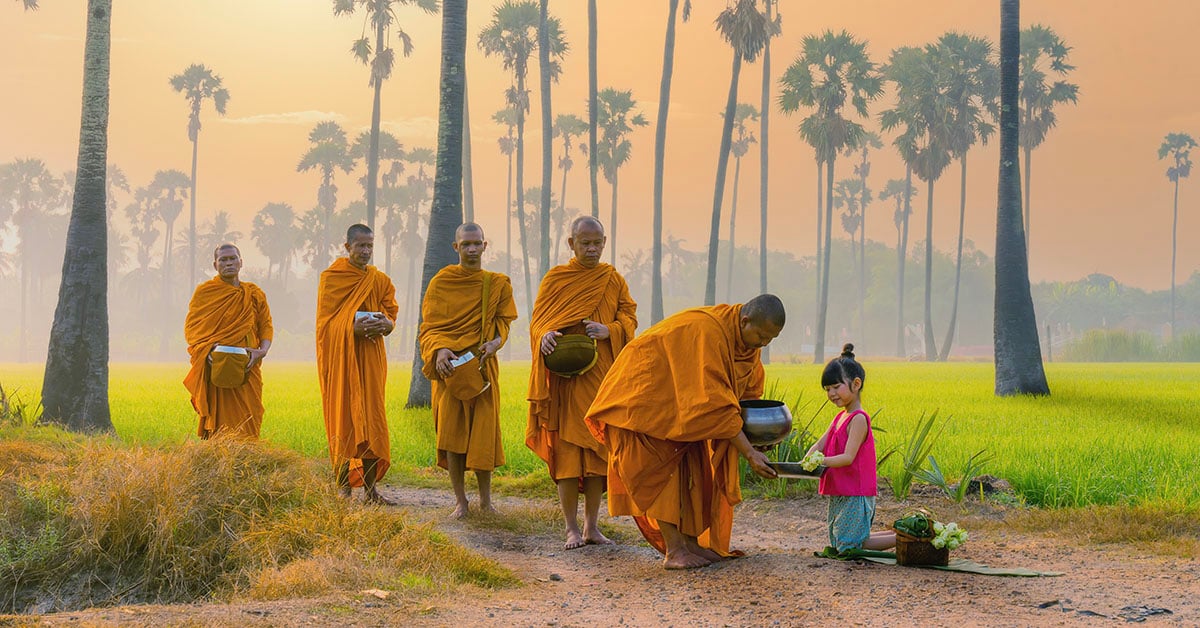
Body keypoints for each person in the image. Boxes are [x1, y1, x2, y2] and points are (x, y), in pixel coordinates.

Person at [585, 294, 784, 569]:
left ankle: (690, 544)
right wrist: (748, 453)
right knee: (661, 471)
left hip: (675, 405)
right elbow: (717, 404)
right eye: (761, 335)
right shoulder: (710, 333)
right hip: (643, 397)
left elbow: (744, 399)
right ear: (745, 320)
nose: (763, 344)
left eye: (770, 339)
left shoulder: (746, 345)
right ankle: (674, 550)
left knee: (691, 470)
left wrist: (757, 437)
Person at [526, 216, 637, 549]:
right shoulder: (557, 279)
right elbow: (538, 322)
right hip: (566, 380)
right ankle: (570, 528)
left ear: (604, 242)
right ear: (570, 243)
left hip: (601, 377)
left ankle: (591, 526)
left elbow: (629, 316)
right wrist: (543, 336)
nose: (592, 249)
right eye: (585, 243)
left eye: (597, 242)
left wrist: (611, 330)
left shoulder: (613, 279)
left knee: (598, 454)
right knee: (569, 454)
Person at [419, 223, 518, 519]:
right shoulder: (442, 282)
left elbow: (503, 325)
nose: (472, 250)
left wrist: (495, 344)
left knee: (484, 433)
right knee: (452, 434)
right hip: (450, 370)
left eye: (477, 244)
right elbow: (429, 328)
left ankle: (486, 501)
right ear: (456, 248)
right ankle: (460, 502)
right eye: (466, 245)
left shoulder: (497, 283)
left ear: (485, 246)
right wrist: (438, 349)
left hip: (483, 367)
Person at [316, 224, 398, 505]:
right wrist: (352, 329)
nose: (365, 252)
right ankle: (343, 488)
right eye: (360, 246)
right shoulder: (332, 279)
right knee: (344, 419)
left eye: (370, 246)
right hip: (342, 361)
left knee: (373, 421)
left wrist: (386, 324)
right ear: (347, 246)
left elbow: (390, 315)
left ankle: (371, 490)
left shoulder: (380, 280)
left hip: (372, 360)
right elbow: (325, 326)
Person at [804, 343, 895, 552]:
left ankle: (903, 540)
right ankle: (897, 535)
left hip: (856, 491)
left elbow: (848, 457)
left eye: (836, 387)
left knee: (849, 545)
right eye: (828, 389)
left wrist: (820, 461)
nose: (831, 393)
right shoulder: (839, 417)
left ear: (856, 384)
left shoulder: (859, 419)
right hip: (840, 488)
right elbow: (821, 443)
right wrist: (807, 459)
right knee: (840, 541)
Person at [183, 244, 273, 439]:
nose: (228, 263)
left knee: (250, 413)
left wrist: (262, 351)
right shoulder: (205, 293)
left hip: (247, 366)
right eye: (223, 260)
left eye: (233, 258)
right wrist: (207, 350)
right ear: (215, 265)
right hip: (218, 367)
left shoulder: (254, 293)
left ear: (241, 262)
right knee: (220, 419)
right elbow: (192, 330)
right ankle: (220, 460)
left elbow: (266, 325)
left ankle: (247, 461)